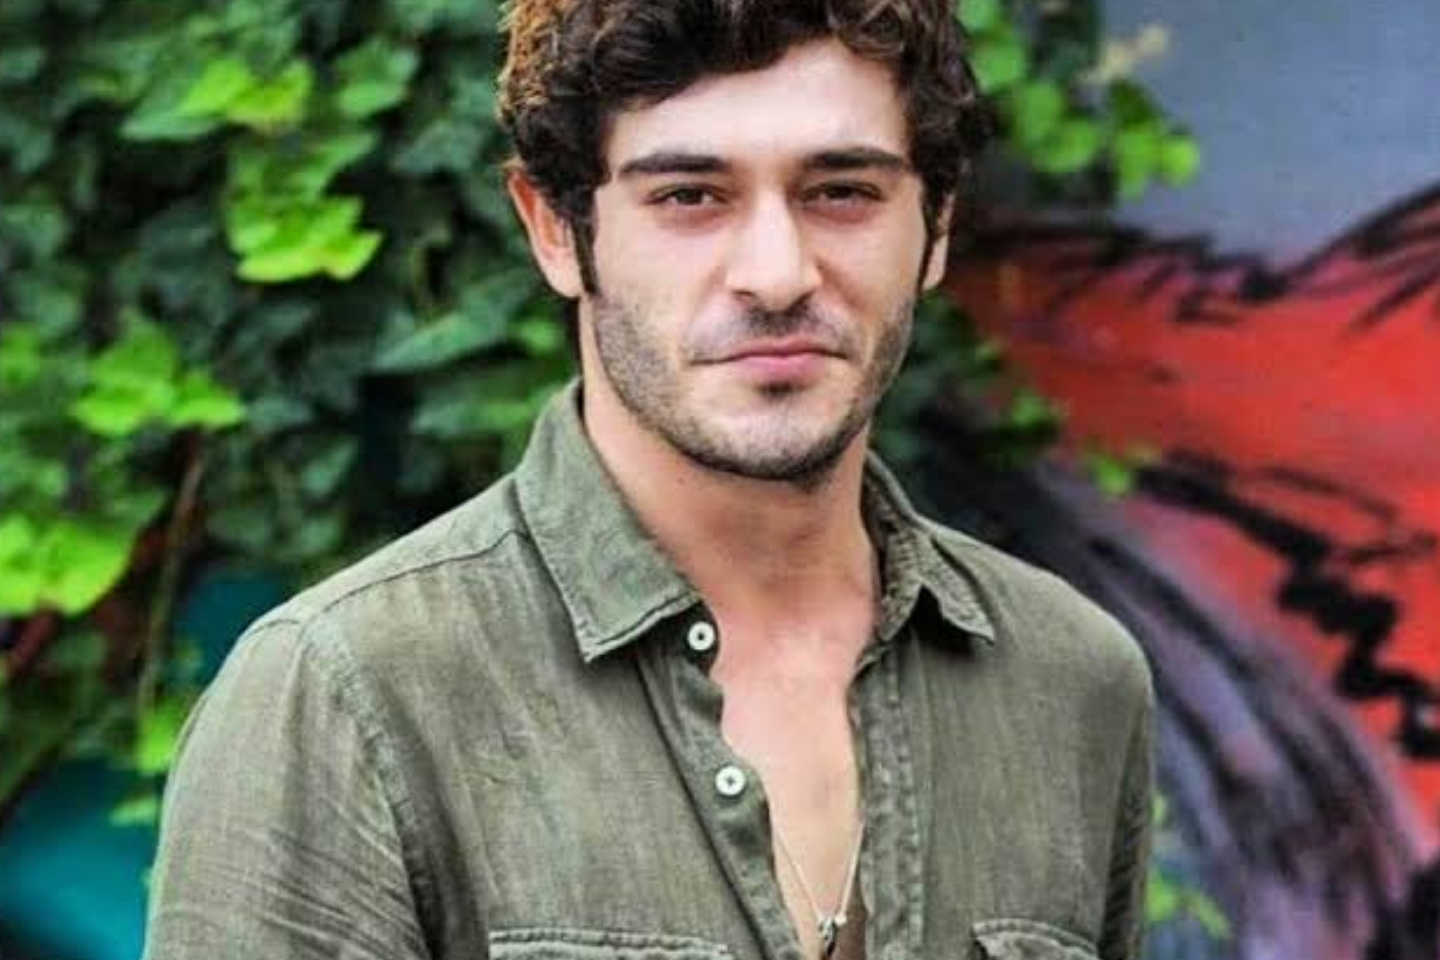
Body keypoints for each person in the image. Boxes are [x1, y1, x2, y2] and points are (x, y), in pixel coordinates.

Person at [143, 2, 1156, 959]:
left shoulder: (1072, 683)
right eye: (689, 197)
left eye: (842, 191)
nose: (777, 273)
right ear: (555, 229)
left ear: (935, 226)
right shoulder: (347, 694)